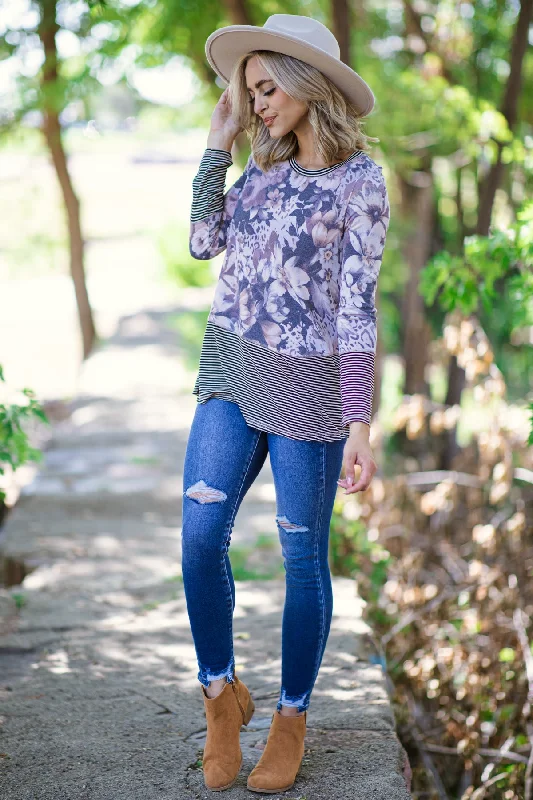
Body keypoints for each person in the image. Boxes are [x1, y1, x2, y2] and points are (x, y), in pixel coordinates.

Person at [182, 13, 391, 794]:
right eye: (249, 89)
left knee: (303, 557)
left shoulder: (359, 181)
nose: (257, 102)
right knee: (201, 537)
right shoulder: (259, 174)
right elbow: (204, 243)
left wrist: (360, 421)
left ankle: (290, 716)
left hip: (308, 392)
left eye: (267, 88)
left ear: (308, 87)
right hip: (232, 370)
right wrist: (218, 142)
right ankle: (219, 697)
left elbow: (356, 307)